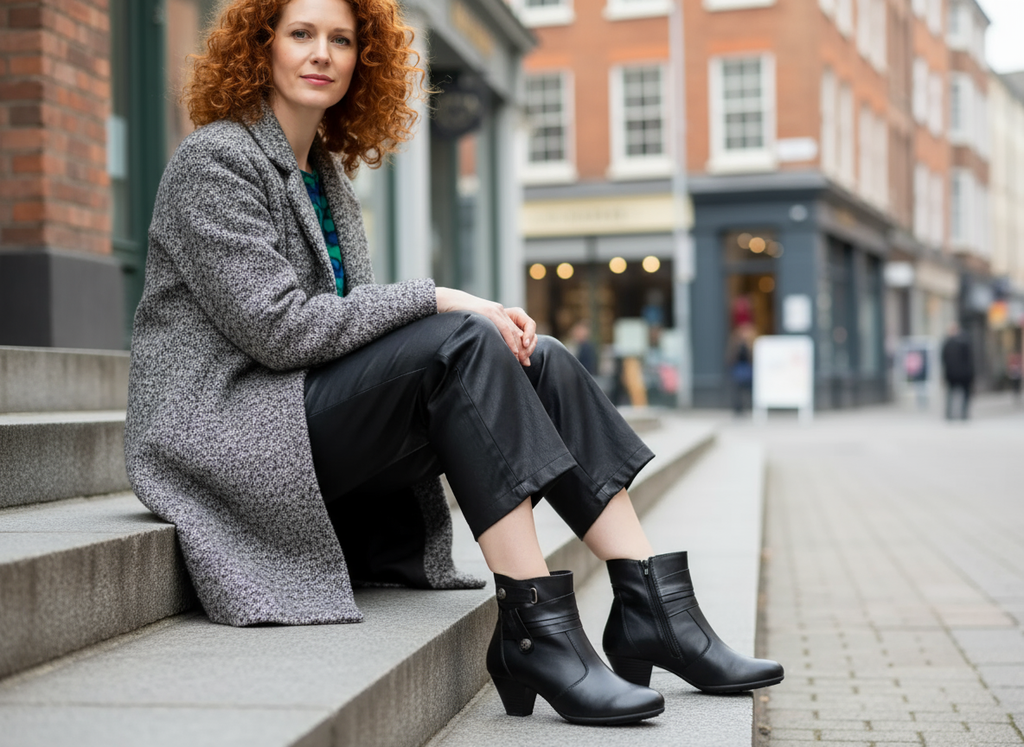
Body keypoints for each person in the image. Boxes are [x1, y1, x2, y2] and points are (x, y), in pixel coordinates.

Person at [123, 0, 782, 726]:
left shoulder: (326, 175)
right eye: (301, 34)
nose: (322, 54)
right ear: (260, 46)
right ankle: (536, 627)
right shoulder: (214, 160)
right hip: (232, 431)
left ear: (362, 60)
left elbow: (338, 331)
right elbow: (279, 330)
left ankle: (652, 607)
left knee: (542, 357)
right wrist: (443, 299)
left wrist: (459, 315)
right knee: (464, 342)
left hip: (301, 413)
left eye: (341, 39)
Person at [941, 323, 974, 420]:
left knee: (951, 394)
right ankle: (963, 413)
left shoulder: (947, 343)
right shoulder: (965, 342)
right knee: (964, 394)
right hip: (963, 374)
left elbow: (943, 360)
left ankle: (950, 414)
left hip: (952, 374)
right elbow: (969, 359)